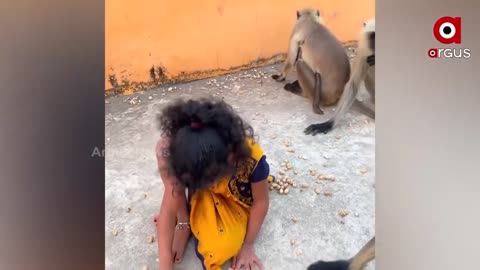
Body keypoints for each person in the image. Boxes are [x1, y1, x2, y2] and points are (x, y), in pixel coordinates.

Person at [154, 98, 274, 270]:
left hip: (235, 201)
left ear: (232, 156)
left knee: (222, 246)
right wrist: (165, 265)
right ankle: (183, 220)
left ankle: (189, 217)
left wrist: (247, 246)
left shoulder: (251, 159)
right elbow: (169, 202)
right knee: (163, 151)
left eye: (210, 179)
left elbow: (260, 202)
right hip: (202, 180)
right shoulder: (189, 153)